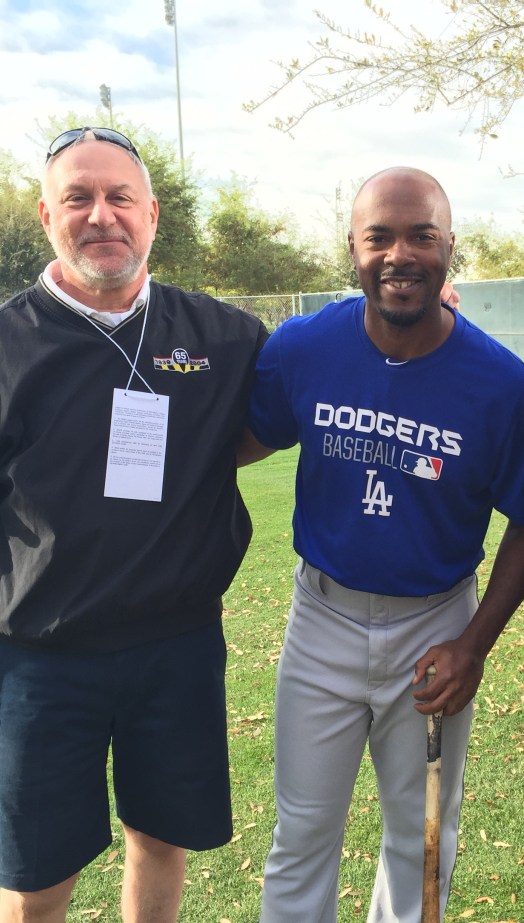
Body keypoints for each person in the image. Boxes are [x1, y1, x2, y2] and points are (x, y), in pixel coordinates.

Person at [0, 127, 268, 923]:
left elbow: (310, 380)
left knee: (160, 841)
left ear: (152, 214)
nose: (101, 215)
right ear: (47, 214)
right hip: (44, 660)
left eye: (119, 198)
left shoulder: (223, 336)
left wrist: (423, 316)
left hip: (177, 647)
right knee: (37, 877)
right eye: (79, 197)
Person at [242, 167, 524, 923]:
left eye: (421, 235)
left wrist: (475, 643)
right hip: (322, 619)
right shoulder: (305, 345)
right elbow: (241, 437)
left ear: (449, 248)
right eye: (380, 237)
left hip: (437, 622)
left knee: (422, 838)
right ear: (353, 249)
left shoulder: (501, 383)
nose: (401, 254)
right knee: (301, 834)